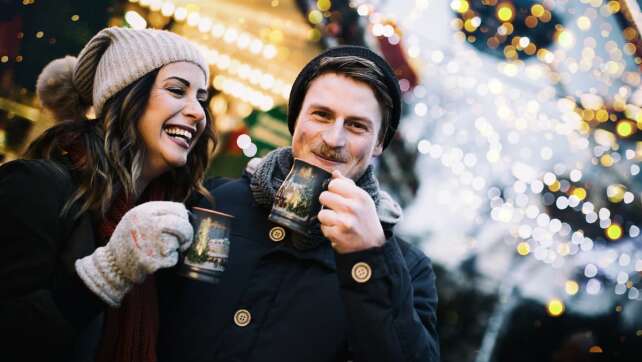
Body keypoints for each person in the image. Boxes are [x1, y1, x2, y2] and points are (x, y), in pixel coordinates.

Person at [157, 46, 440, 361]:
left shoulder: (408, 269)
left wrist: (369, 257)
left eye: (357, 125)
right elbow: (158, 317)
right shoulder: (219, 203)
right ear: (296, 119)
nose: (333, 139)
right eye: (322, 115)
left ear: (379, 144)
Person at [0, 27, 215, 362]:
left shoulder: (174, 221)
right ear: (126, 94)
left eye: (201, 99)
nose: (198, 112)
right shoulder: (35, 186)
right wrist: (106, 274)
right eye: (177, 90)